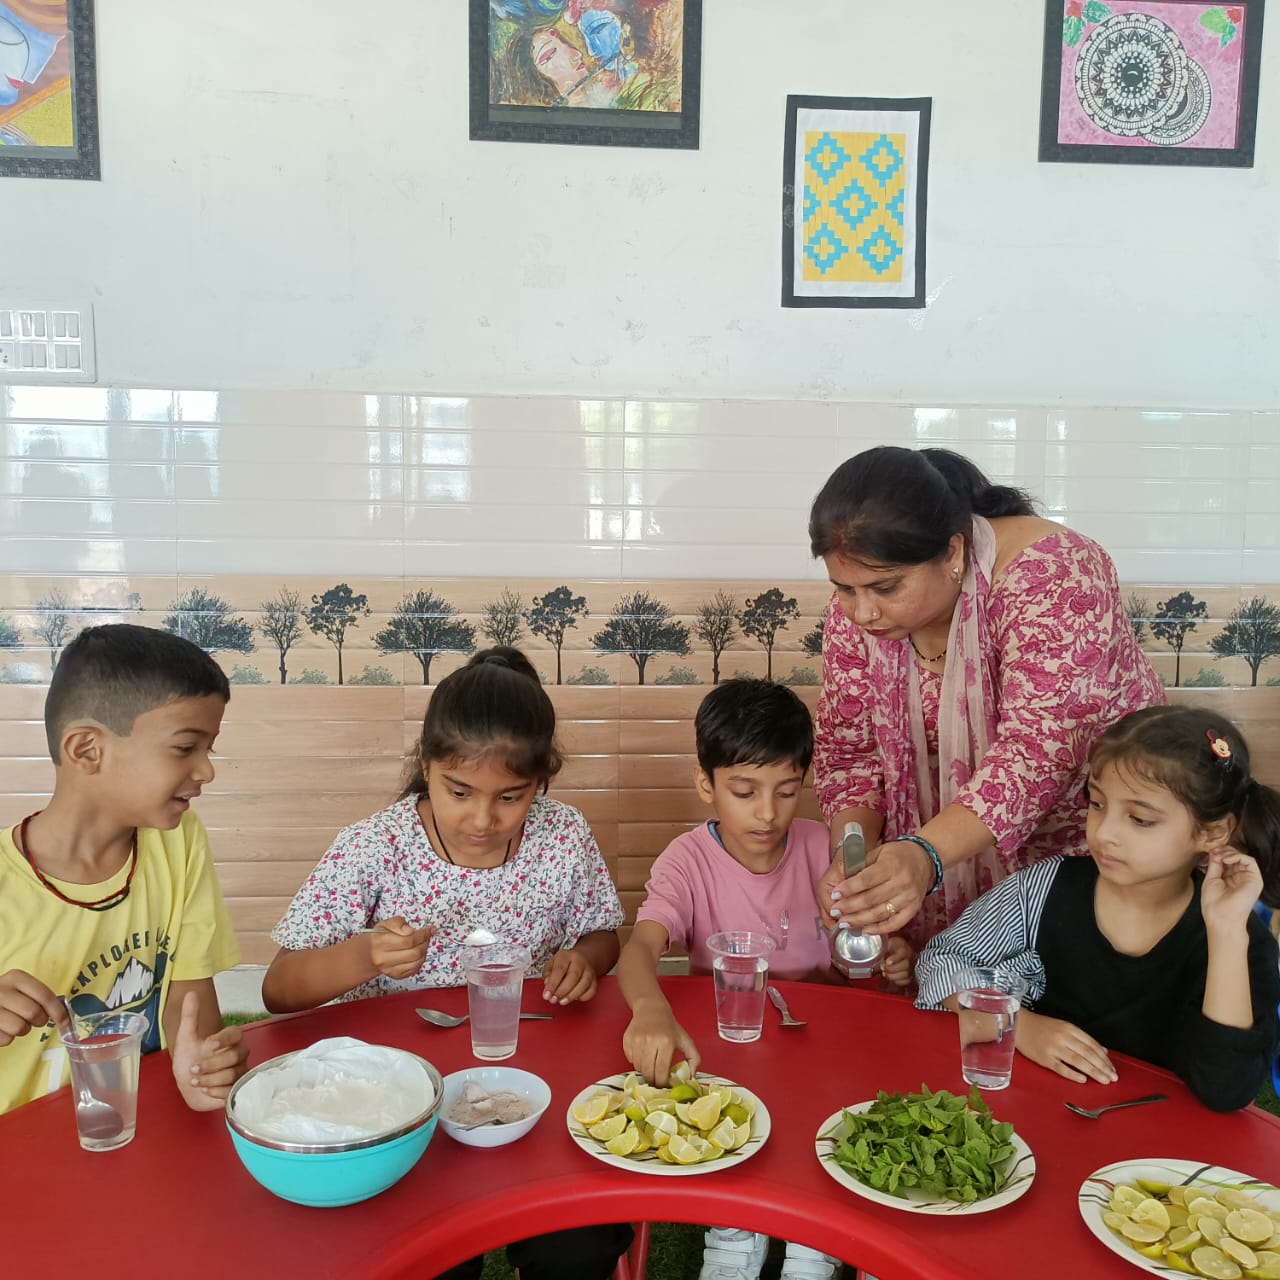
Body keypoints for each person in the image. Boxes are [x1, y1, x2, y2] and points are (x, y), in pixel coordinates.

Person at [261, 646, 630, 1280]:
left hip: (532, 1074)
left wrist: (584, 959)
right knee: (429, 1248)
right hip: (397, 1091)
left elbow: (602, 932)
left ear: (541, 782)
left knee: (578, 1244)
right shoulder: (375, 846)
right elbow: (279, 988)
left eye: (511, 796)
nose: (482, 820)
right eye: (459, 792)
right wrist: (364, 955)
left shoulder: (562, 834)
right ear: (426, 766)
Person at [809, 446, 1165, 963]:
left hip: (1080, 865)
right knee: (955, 995)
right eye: (844, 588)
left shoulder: (1053, 575)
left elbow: (1039, 751)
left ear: (953, 552)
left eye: (885, 587)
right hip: (942, 864)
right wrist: (854, 856)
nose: (863, 612)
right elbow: (850, 754)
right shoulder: (858, 615)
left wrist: (925, 854)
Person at [916, 706, 1280, 1112]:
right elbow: (941, 961)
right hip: (1034, 1119)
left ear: (1212, 832)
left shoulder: (1240, 940)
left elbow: (1226, 1089)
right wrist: (1017, 1025)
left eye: (1140, 819)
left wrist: (1226, 932)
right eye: (1098, 803)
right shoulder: (1041, 889)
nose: (1104, 833)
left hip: (1157, 1141)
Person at [618, 678, 844, 1280]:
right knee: (729, 1107)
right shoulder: (687, 861)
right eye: (744, 792)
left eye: (786, 791)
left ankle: (812, 1233)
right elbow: (638, 951)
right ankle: (735, 1228)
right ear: (706, 784)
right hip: (731, 1047)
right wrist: (650, 1009)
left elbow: (858, 956)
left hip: (820, 1048)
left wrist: (885, 953)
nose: (767, 813)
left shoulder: (822, 846)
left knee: (825, 1105)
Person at [0, 624, 249, 1115]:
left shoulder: (178, 840)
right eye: (185, 748)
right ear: (86, 750)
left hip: (145, 1123)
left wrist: (202, 1067)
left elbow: (189, 998)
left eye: (209, 749)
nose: (207, 771)